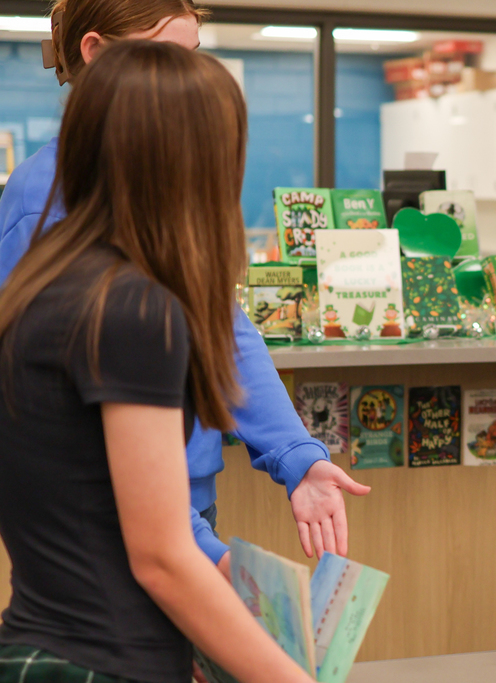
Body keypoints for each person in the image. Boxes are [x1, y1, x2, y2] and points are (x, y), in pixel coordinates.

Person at [0, 0, 370, 576]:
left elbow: (220, 324)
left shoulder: (161, 192)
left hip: (183, 514)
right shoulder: (43, 207)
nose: (189, 83)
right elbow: (84, 455)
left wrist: (297, 457)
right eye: (166, 59)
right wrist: (209, 565)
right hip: (110, 532)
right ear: (97, 53)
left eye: (194, 57)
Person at [0, 40, 317, 683]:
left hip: (42, 640)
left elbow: (88, 506)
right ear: (192, 162)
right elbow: (162, 557)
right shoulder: (135, 310)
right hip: (107, 661)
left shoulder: (49, 282)